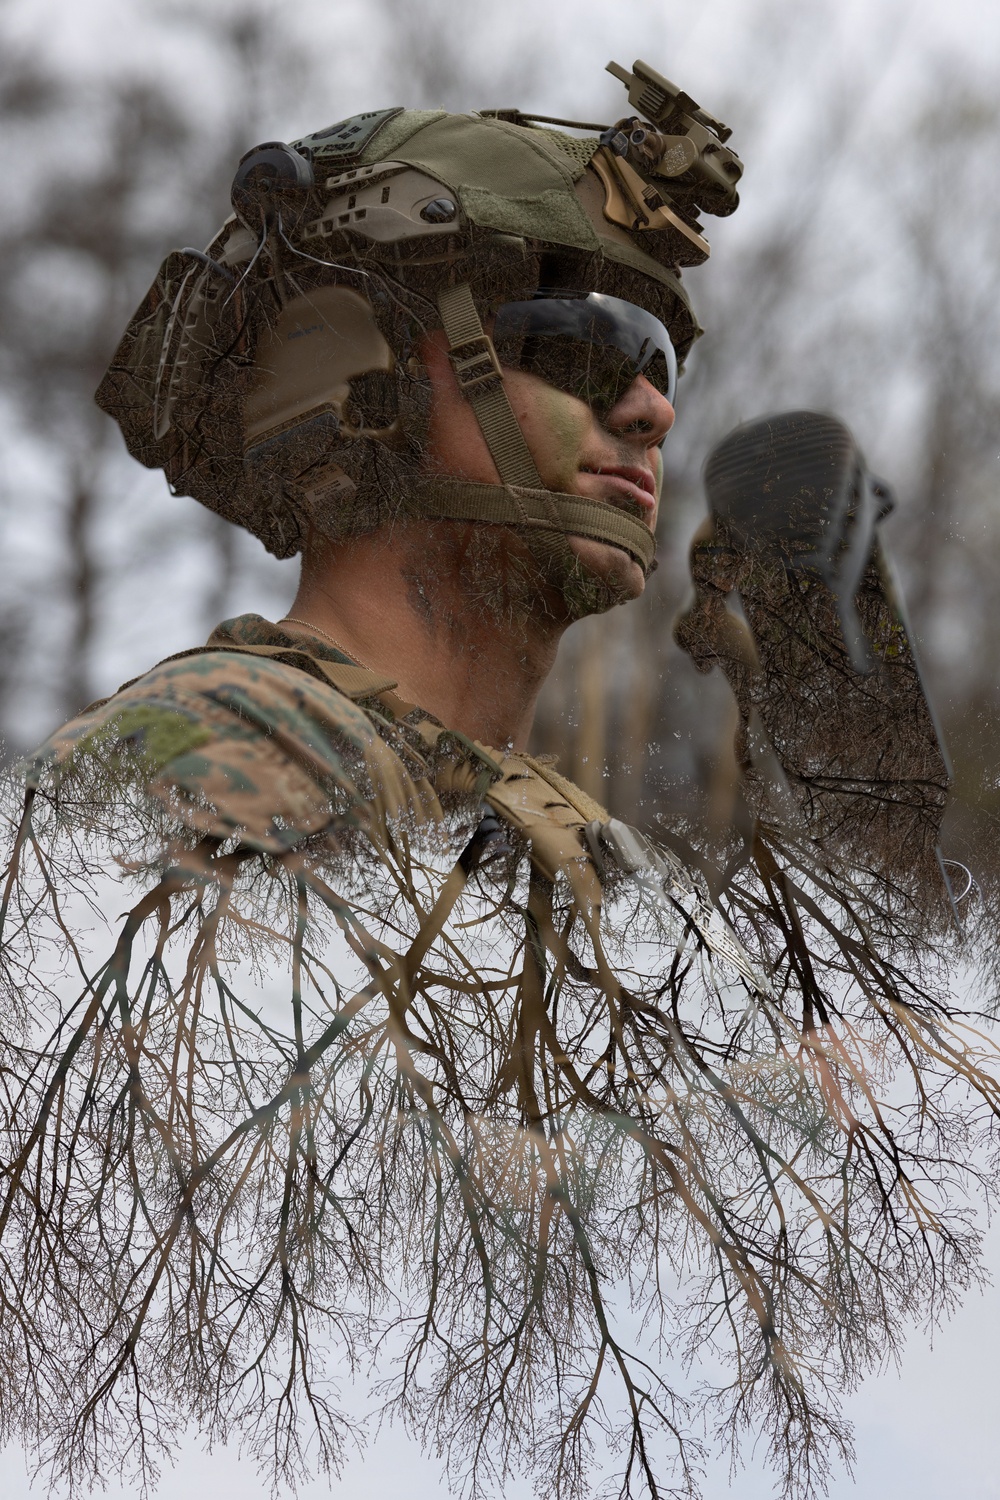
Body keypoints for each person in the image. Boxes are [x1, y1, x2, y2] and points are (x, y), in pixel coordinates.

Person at [0, 60, 991, 1500]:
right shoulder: (203, 760)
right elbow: (174, 1281)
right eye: (578, 347)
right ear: (364, 384)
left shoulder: (563, 837)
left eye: (660, 363)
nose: (649, 413)